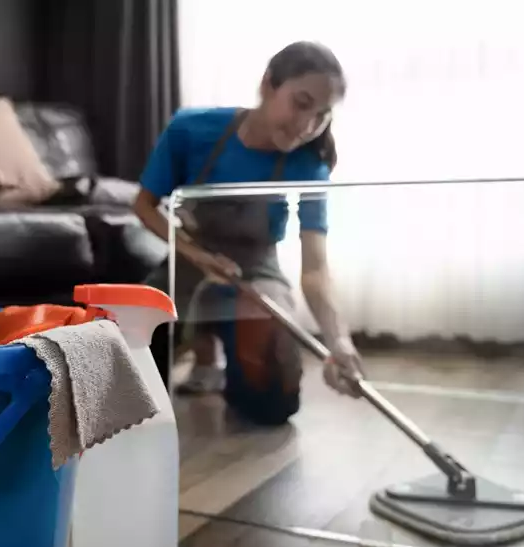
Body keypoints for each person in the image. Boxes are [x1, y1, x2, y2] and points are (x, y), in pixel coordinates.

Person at [133, 40, 364, 425]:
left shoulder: (310, 164)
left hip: (258, 269)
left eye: (322, 115)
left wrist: (339, 340)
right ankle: (202, 352)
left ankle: (221, 364)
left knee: (273, 404)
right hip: (190, 259)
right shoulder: (191, 130)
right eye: (301, 103)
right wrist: (199, 257)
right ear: (267, 85)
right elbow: (143, 206)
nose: (307, 126)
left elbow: (315, 269)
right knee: (132, 379)